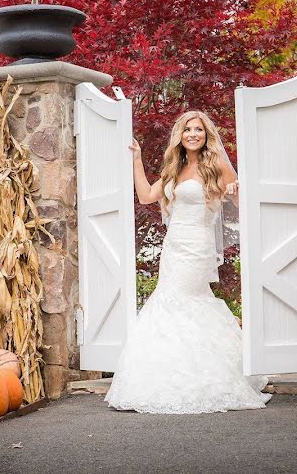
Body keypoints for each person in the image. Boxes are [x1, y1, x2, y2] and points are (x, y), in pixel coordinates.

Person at [103, 110, 271, 414]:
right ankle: (174, 376)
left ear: (206, 135)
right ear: (180, 136)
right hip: (174, 246)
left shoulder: (216, 164)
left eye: (199, 130)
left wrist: (234, 191)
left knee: (178, 302)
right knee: (182, 302)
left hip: (197, 245)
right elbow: (146, 197)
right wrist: (137, 160)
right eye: (188, 130)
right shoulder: (174, 167)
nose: (193, 134)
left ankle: (205, 378)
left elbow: (239, 202)